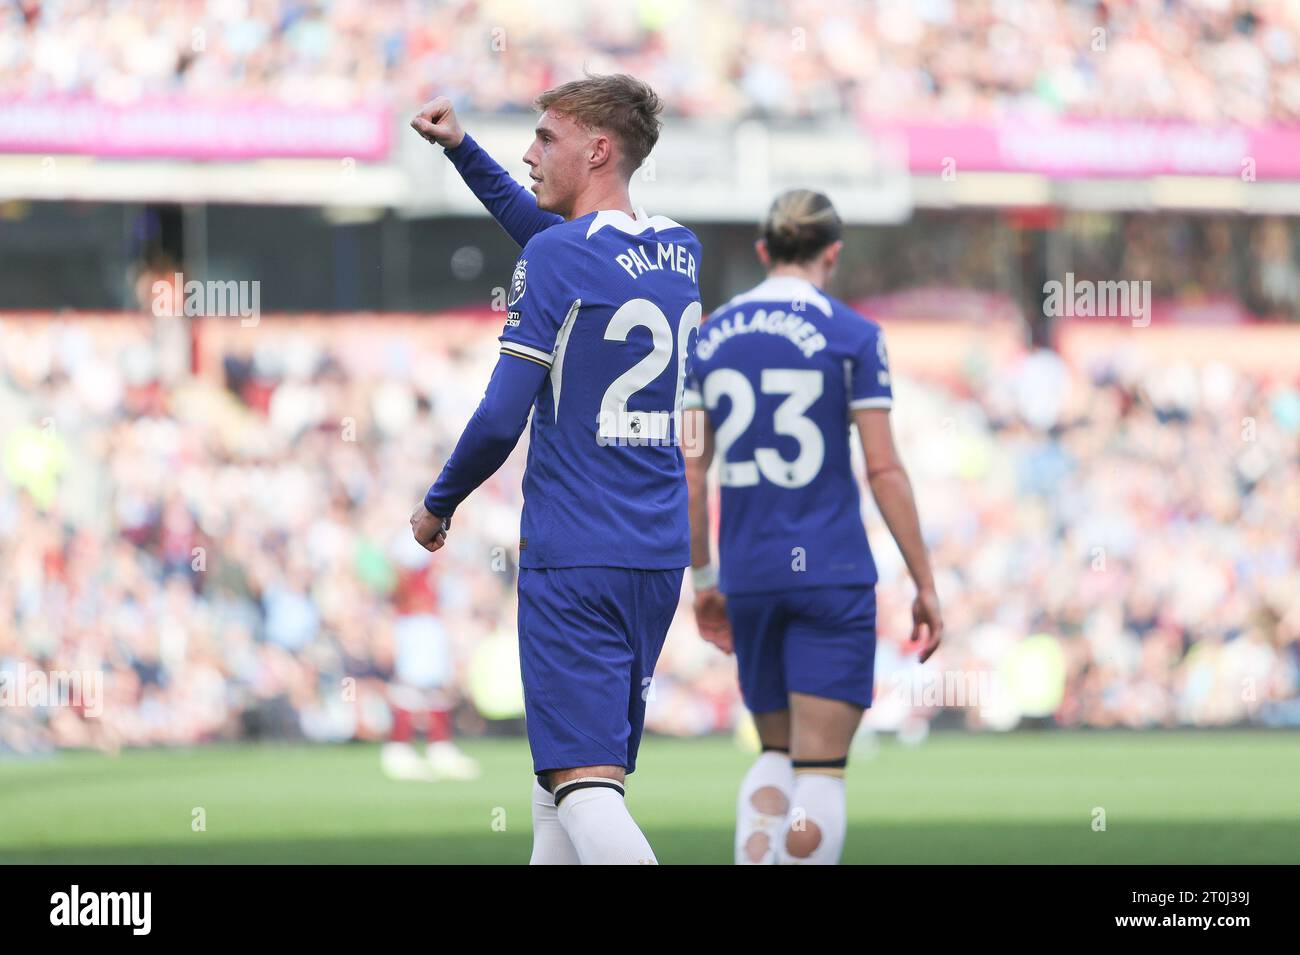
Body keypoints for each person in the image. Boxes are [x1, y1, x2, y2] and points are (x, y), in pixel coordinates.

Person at [409, 74, 702, 865]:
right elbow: (548, 237)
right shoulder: (679, 249)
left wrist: (439, 501)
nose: (530, 152)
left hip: (575, 556)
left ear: (598, 148)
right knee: (559, 794)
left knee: (587, 791)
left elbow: (502, 416)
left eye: (547, 138)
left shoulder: (557, 257)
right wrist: (464, 152)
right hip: (653, 556)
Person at [682, 189, 942, 864]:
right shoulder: (854, 335)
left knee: (774, 753)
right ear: (833, 253)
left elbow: (689, 471)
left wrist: (704, 579)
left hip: (749, 574)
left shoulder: (705, 339)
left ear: (764, 251)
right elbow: (883, 469)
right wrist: (925, 581)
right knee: (821, 768)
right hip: (831, 571)